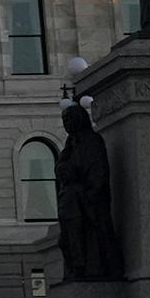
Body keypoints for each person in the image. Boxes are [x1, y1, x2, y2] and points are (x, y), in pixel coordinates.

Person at [54, 102, 121, 281]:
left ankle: (86, 268)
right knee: (67, 241)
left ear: (79, 119)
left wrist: (88, 196)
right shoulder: (70, 145)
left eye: (69, 119)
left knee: (87, 240)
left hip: (87, 203)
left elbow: (98, 173)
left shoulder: (91, 141)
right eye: (64, 120)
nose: (66, 123)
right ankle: (78, 269)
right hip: (71, 203)